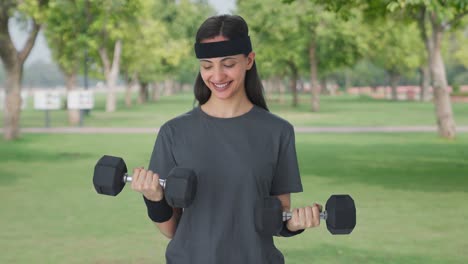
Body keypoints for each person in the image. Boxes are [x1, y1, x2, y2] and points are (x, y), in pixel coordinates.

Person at [131, 14, 322, 264]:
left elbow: (276, 218)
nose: (217, 76)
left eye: (228, 63)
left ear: (249, 60)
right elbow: (171, 230)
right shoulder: (174, 132)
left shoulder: (278, 132)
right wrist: (154, 199)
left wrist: (295, 224)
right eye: (207, 66)